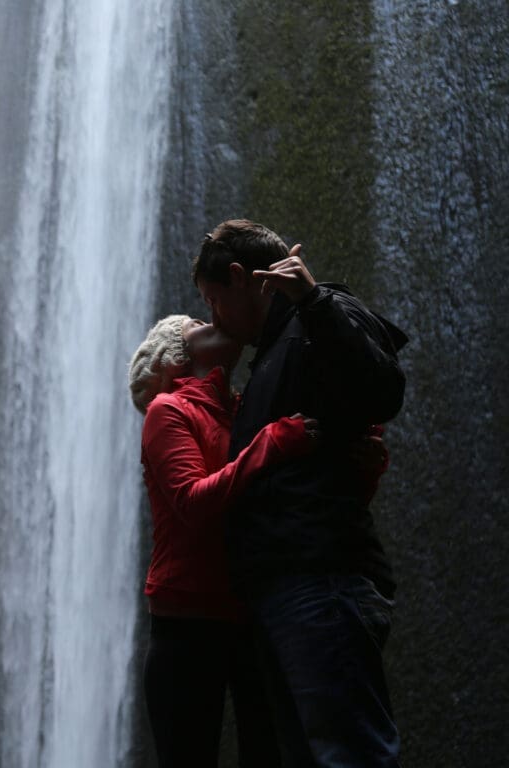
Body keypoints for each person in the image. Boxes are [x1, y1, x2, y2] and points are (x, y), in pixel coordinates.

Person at [192, 219, 409, 767]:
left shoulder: (321, 312)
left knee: (350, 755)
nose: (214, 318)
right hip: (285, 588)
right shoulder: (272, 351)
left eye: (214, 301)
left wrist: (313, 299)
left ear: (240, 277)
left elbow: (383, 389)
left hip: (320, 581)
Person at [129, 313, 319, 767]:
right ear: (174, 356)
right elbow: (193, 501)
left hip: (248, 611)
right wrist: (272, 442)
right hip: (186, 623)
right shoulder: (167, 411)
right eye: (193, 323)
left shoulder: (241, 408)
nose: (209, 318)